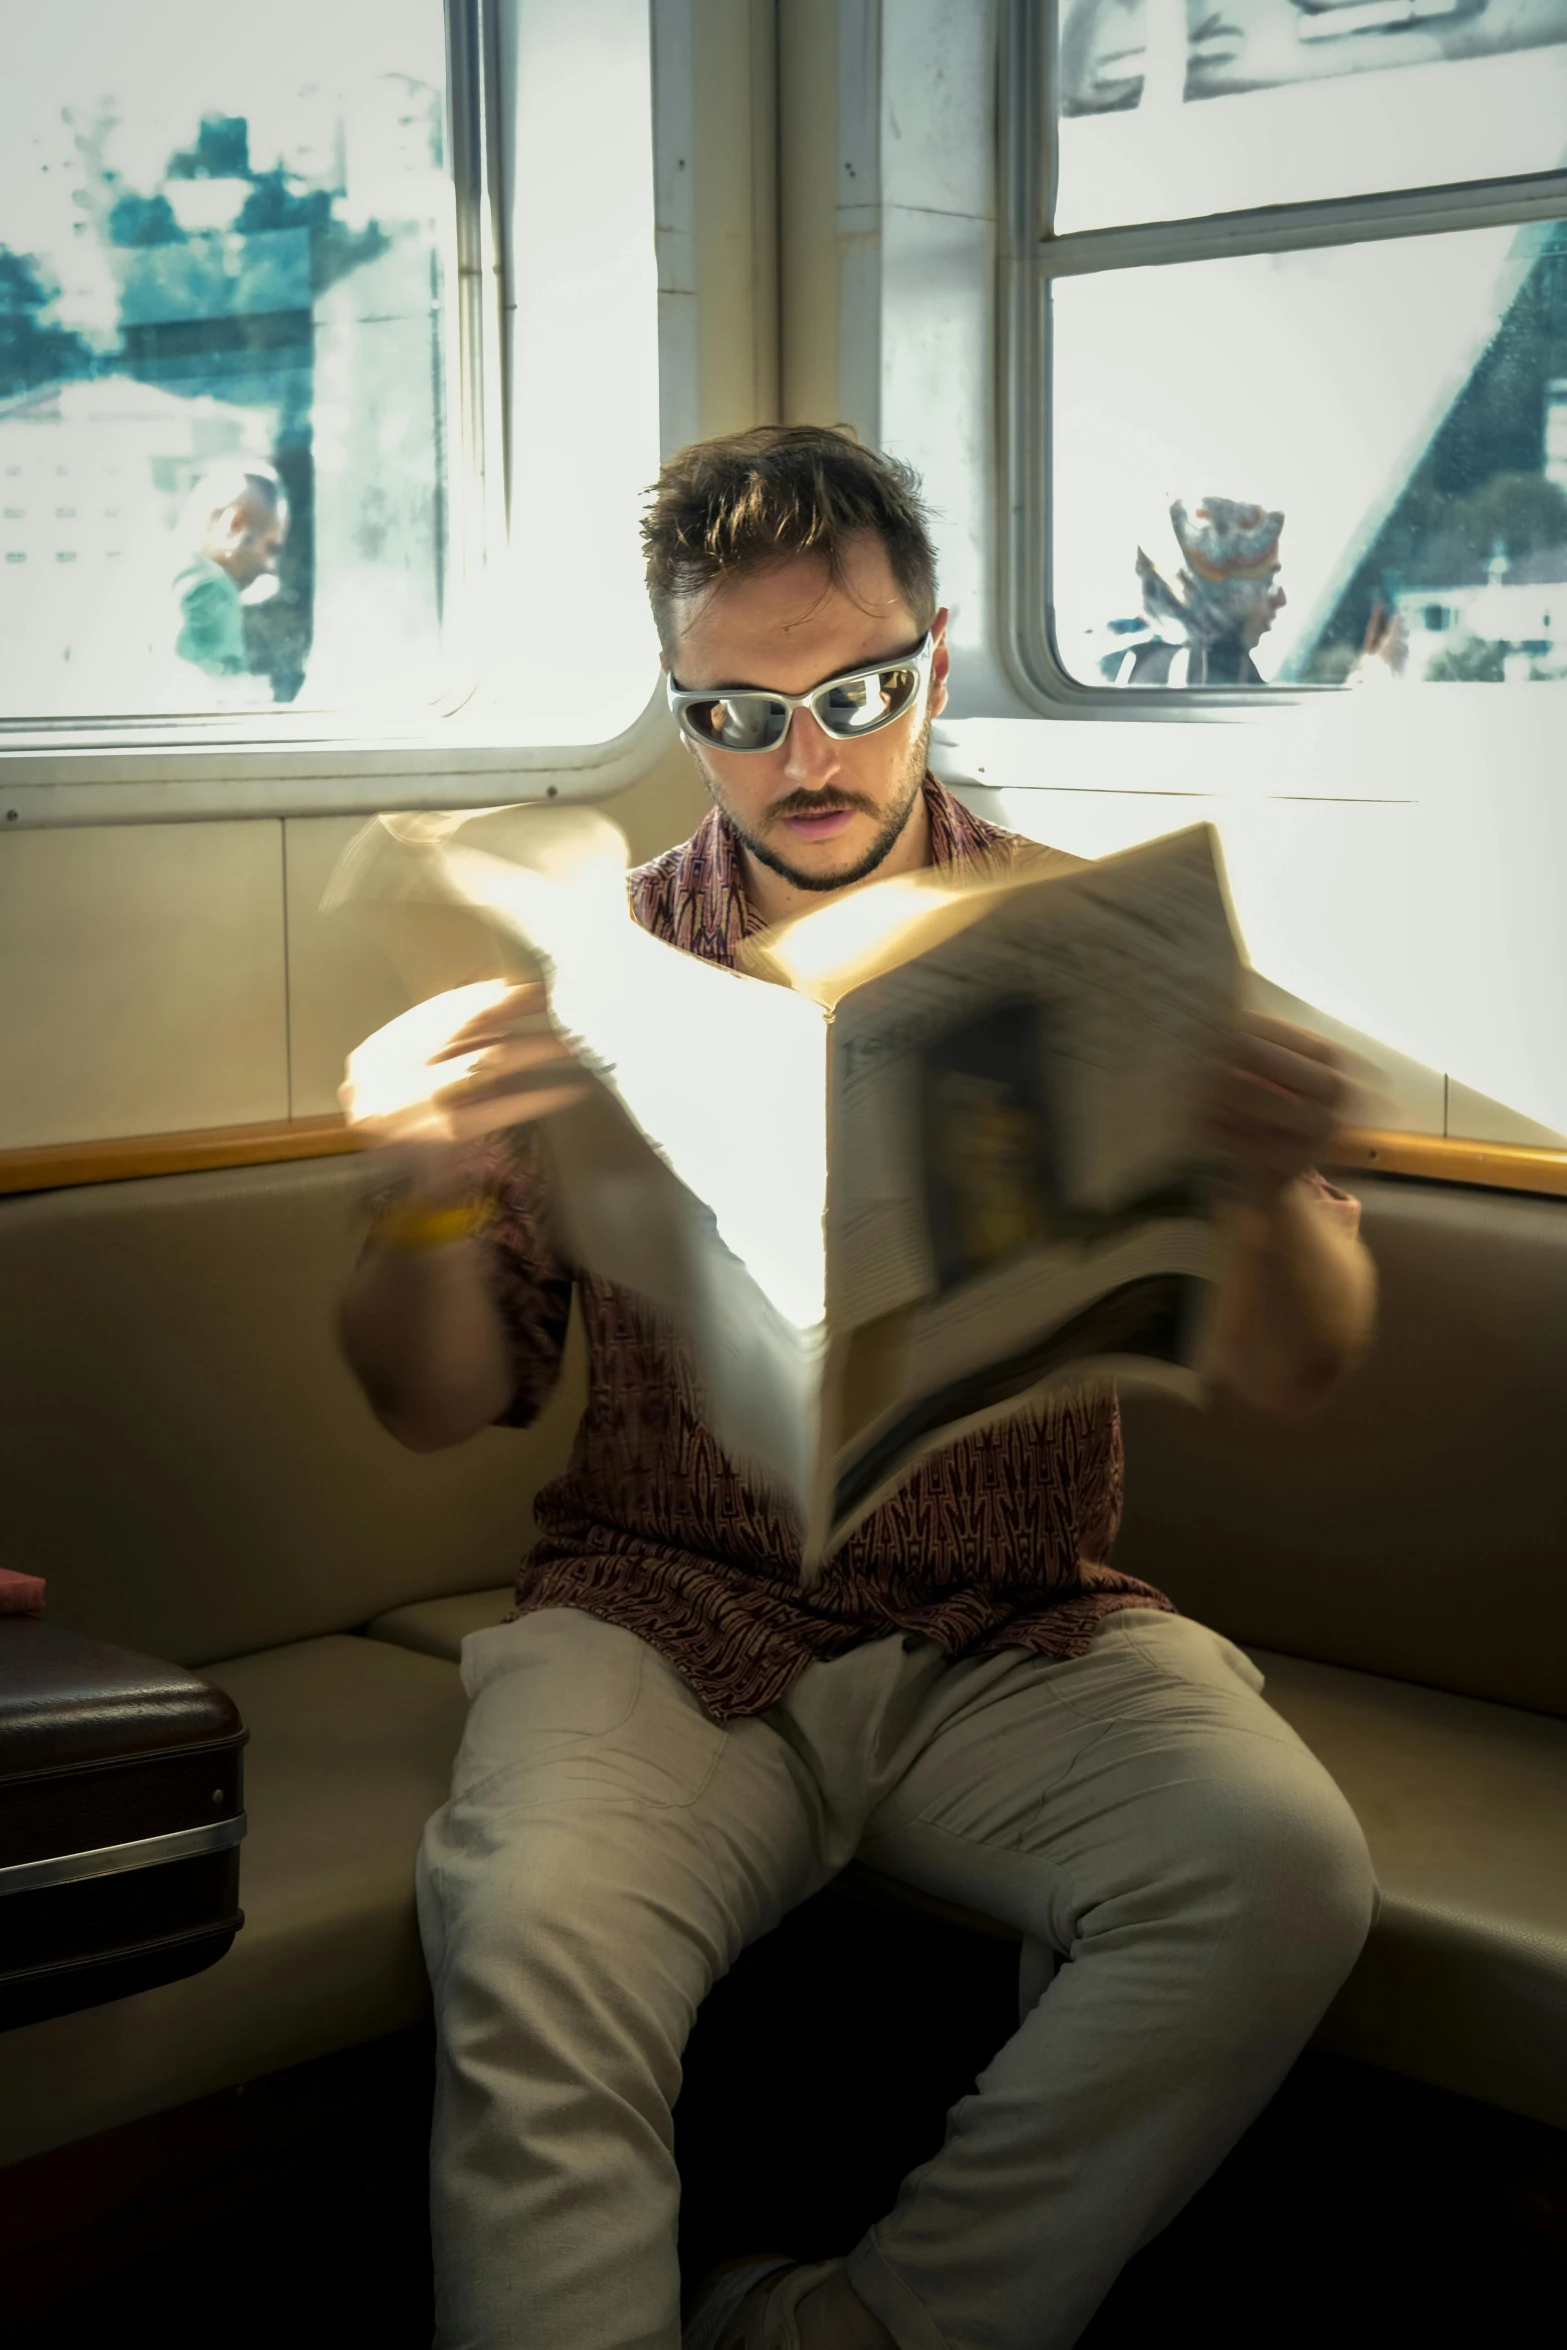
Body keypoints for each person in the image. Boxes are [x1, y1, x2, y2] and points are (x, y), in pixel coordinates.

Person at [339, 425, 1378, 2350]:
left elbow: (1300, 1360)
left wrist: (1263, 1186)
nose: (804, 759)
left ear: (937, 658)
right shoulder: (600, 973)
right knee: (532, 1937)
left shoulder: (1097, 947)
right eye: (735, 712)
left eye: (852, 694)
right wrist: (413, 1188)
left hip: (1017, 1630)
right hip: (664, 1617)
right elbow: (432, 1400)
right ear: (682, 706)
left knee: (1276, 1871)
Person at [1101, 494, 1287, 686]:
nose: (1281, 600)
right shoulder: (1212, 673)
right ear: (1220, 594)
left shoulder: (1127, 660)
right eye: (1265, 582)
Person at [171, 462, 287, 687]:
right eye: (270, 548)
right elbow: (217, 693)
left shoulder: (171, 572)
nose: (269, 567)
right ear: (235, 524)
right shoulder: (212, 589)